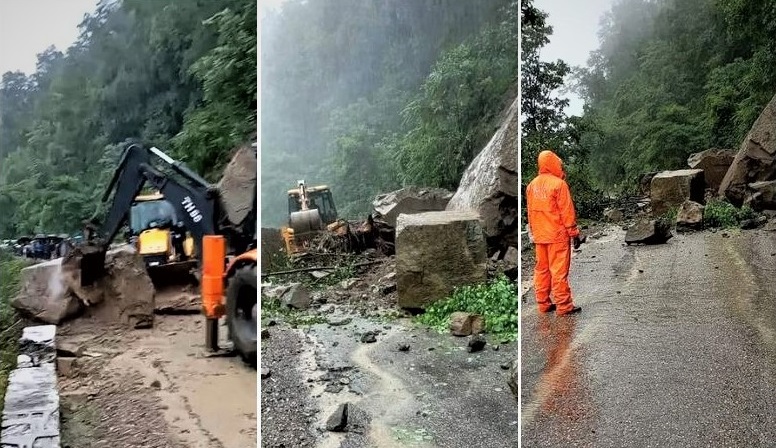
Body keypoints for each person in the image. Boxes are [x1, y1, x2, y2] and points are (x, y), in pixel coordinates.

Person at [525, 149, 582, 316]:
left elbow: (529, 213)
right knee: (558, 271)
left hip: (540, 236)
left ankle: (543, 304)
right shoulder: (559, 184)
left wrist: (533, 233)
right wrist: (574, 233)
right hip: (557, 235)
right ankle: (564, 306)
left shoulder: (531, 186)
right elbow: (567, 212)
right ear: (554, 164)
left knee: (542, 270)